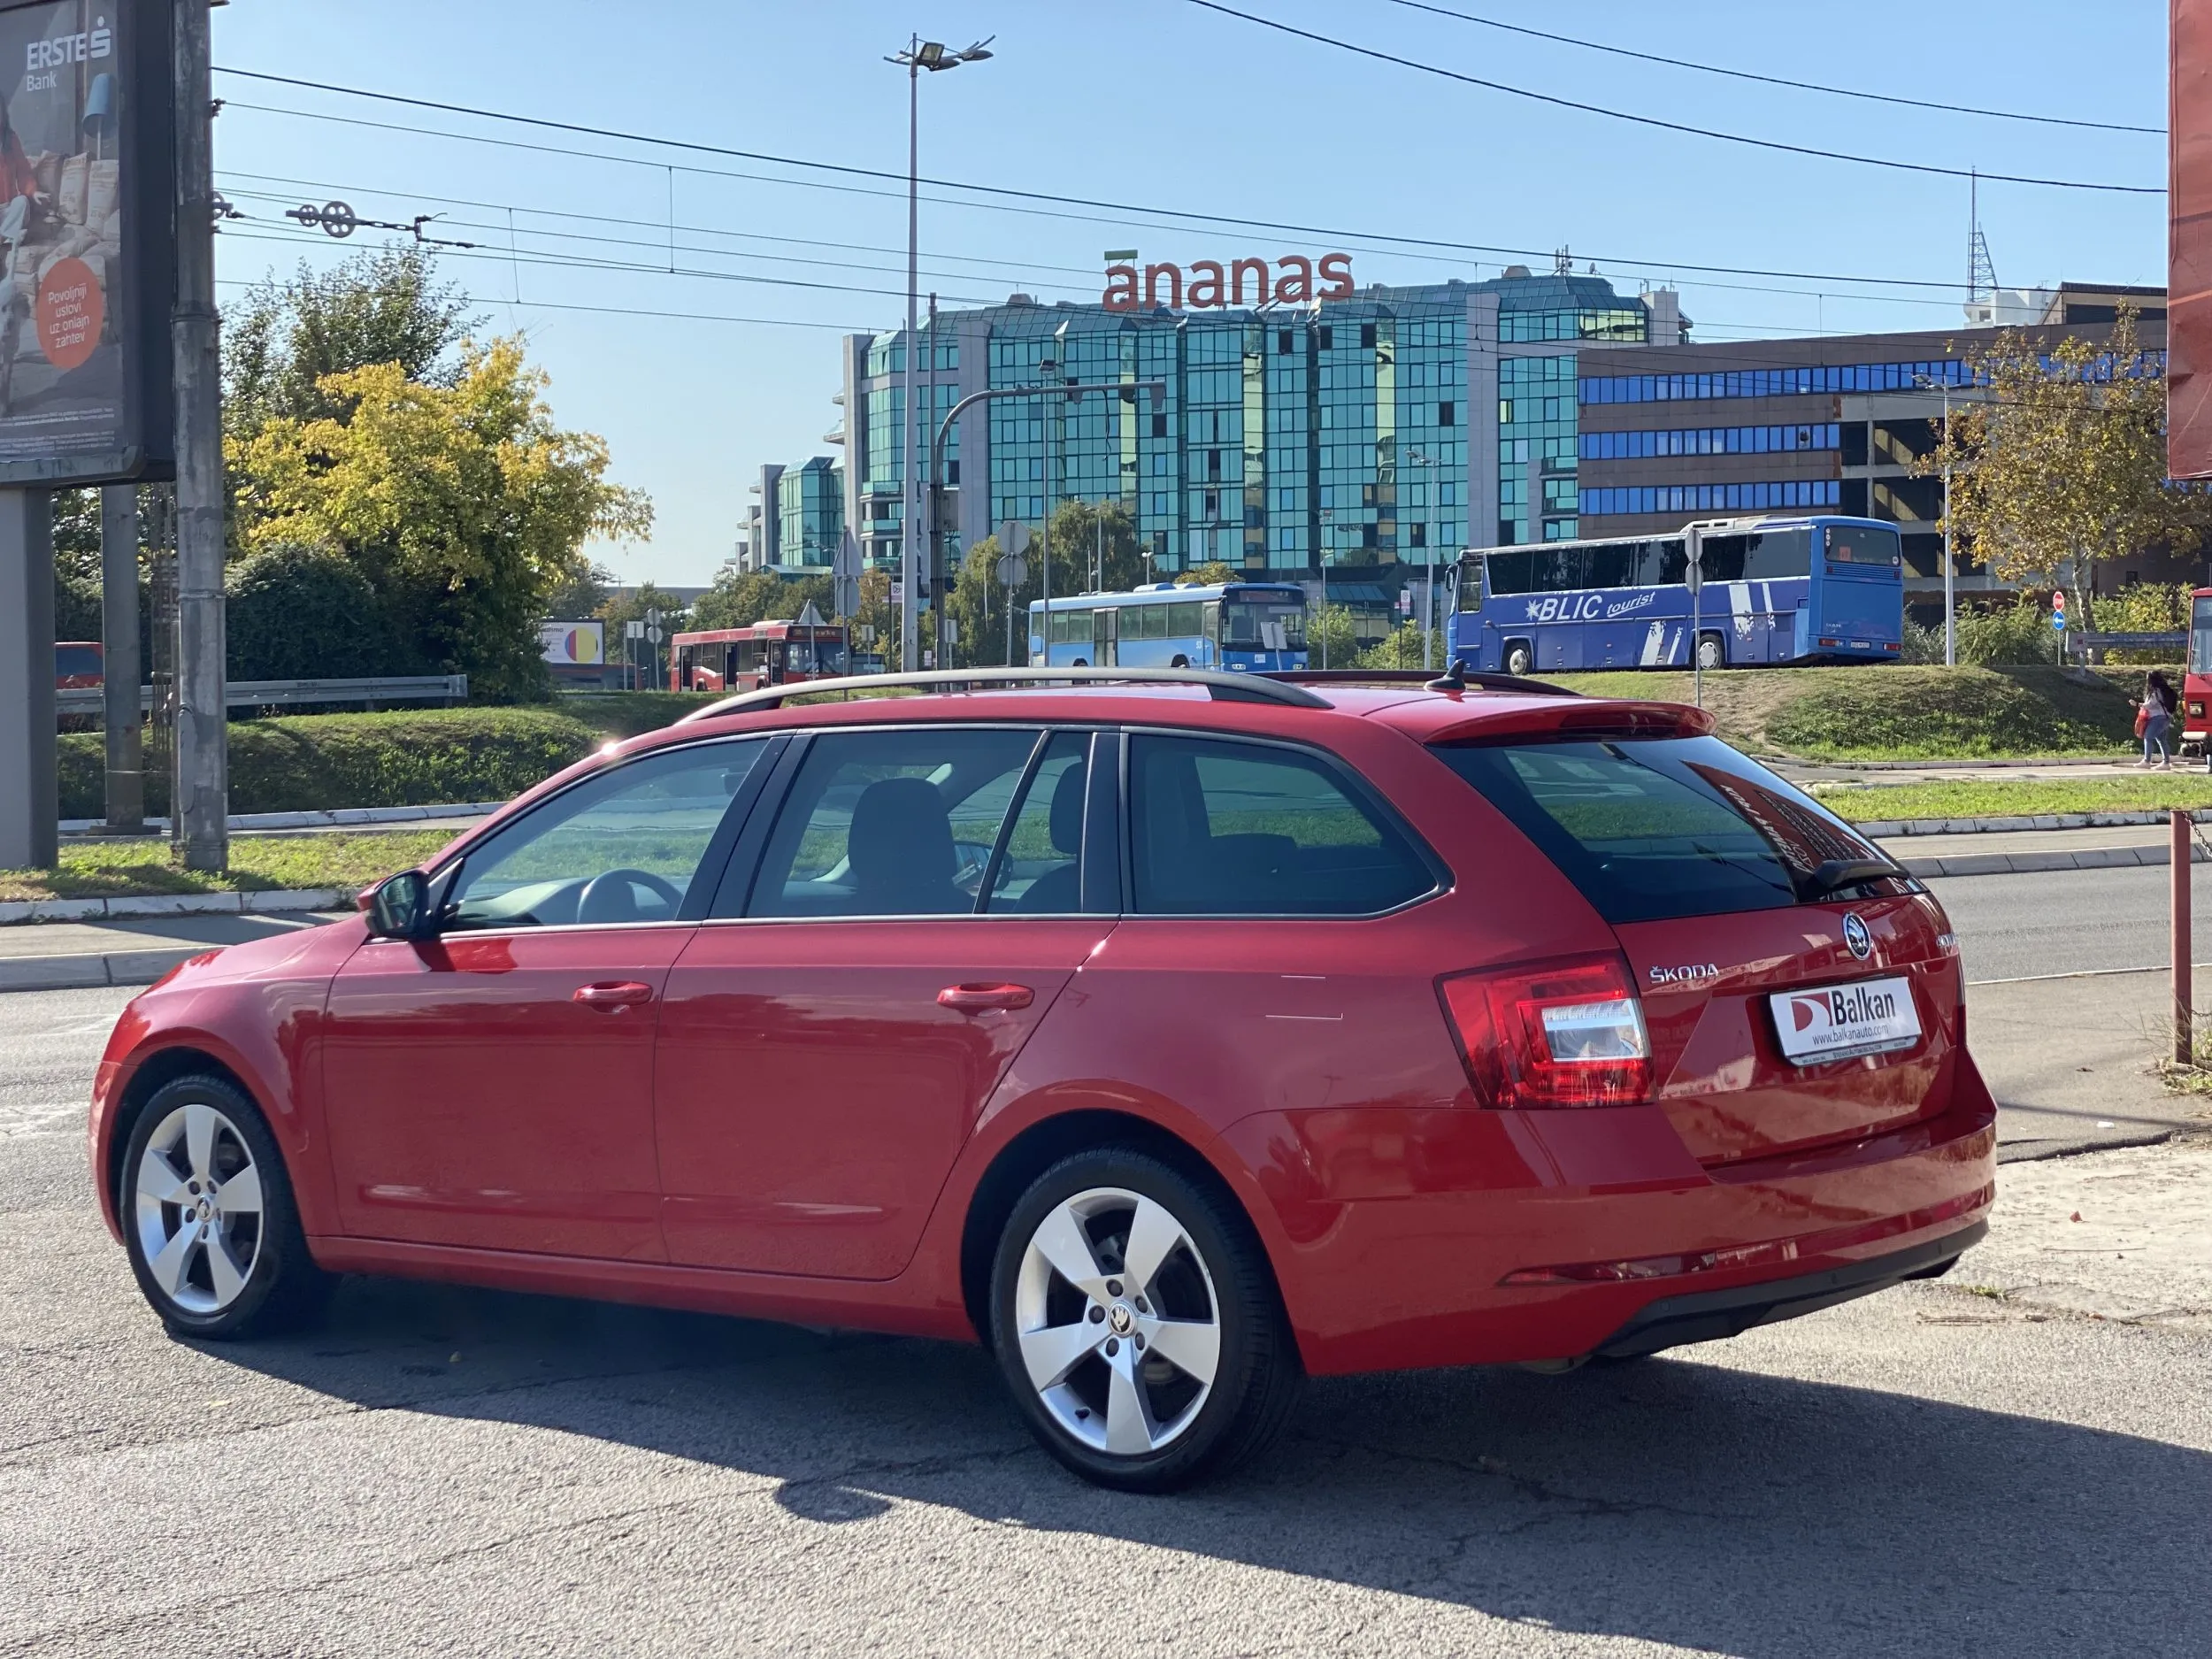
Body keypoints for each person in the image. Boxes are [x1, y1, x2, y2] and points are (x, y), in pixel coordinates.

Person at [2139, 669, 2177, 770]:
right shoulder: (2164, 690)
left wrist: (2137, 704)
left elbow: (2150, 705)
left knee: (2148, 737)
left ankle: (2147, 761)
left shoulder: (2156, 691)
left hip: (2158, 718)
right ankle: (2166, 763)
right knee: (2162, 740)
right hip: (2166, 717)